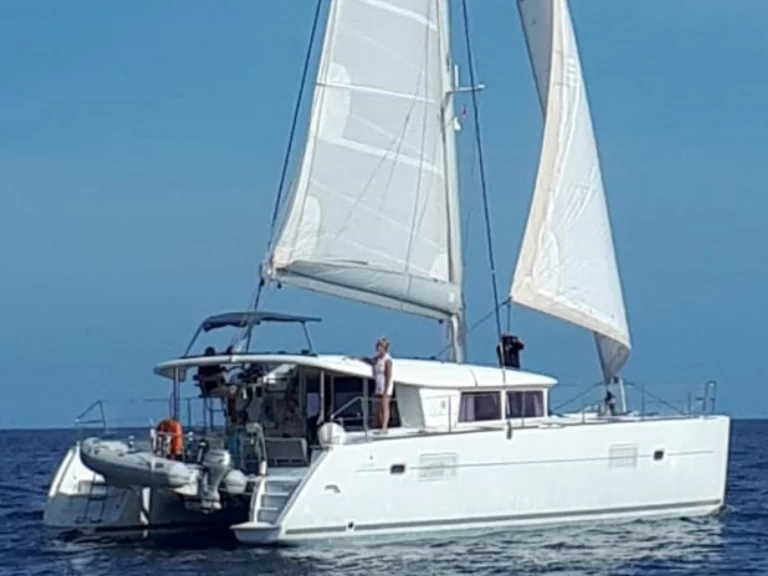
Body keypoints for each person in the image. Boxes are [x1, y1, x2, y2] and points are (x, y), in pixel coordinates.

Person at [367, 337, 393, 432]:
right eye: (378, 346)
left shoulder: (387, 360)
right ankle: (381, 425)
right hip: (378, 384)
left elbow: (388, 375)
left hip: (385, 385)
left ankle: (384, 427)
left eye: (380, 346)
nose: (378, 348)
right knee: (379, 407)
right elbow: (370, 361)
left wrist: (386, 389)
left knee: (384, 406)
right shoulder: (377, 359)